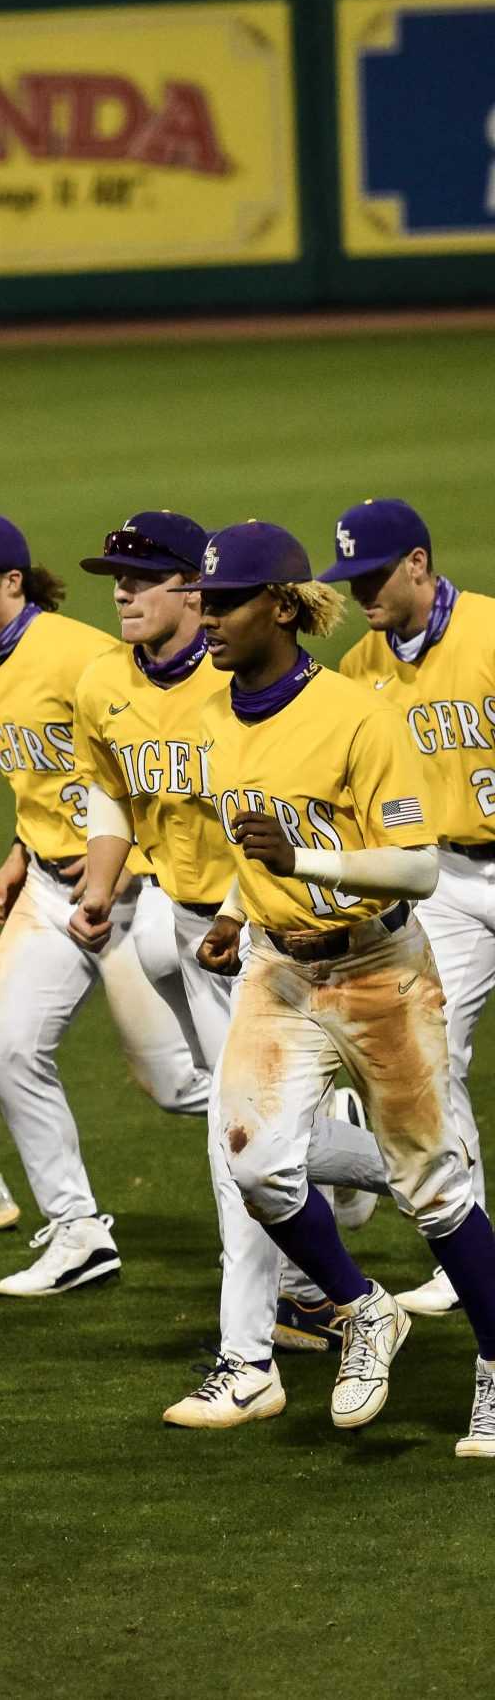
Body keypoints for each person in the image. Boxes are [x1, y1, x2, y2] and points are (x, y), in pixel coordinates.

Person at [63, 513, 386, 1426]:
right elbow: (110, 792)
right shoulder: (109, 684)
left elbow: (293, 807)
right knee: (196, 1104)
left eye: (140, 576)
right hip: (179, 912)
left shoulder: (239, 683)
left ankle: (248, 1359)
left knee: (231, 1150)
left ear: (196, 590)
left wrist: (244, 909)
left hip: (260, 930)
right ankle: (389, 1166)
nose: (122, 592)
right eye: (112, 577)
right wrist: (99, 884)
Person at [182, 518, 495, 1457]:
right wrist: (240, 908)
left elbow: (415, 871)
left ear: (281, 606)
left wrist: (305, 856)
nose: (207, 619)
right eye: (201, 600)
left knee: (434, 1189)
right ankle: (363, 1308)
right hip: (279, 966)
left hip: (378, 969)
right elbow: (253, 843)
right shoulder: (210, 712)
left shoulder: (359, 714)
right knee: (252, 1163)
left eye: (224, 601)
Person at [0, 511, 212, 1298]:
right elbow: (42, 783)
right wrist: (18, 851)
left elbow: (142, 764)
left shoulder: (85, 654)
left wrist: (112, 876)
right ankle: (77, 1232)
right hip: (49, 888)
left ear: (14, 582)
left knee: (181, 1085)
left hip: (131, 889)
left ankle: (329, 1132)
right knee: (10, 1052)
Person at [326, 497, 495, 1322]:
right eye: (350, 578)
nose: (362, 592)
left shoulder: (491, 634)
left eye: (375, 575)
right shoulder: (359, 667)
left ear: (420, 564)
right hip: (449, 882)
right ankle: (471, 1248)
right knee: (437, 1062)